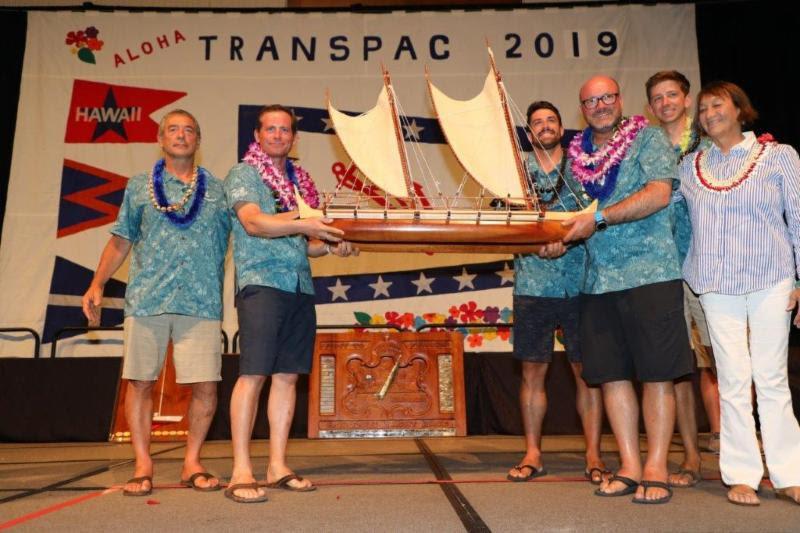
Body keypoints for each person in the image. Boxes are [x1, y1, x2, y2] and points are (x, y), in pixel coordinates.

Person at [82, 109, 230, 496]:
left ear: (198, 140)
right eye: (173, 130)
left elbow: (251, 229)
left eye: (189, 131)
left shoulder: (219, 189)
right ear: (161, 139)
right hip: (147, 297)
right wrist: (96, 284)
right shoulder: (138, 187)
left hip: (200, 301)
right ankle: (143, 463)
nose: (181, 136)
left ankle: (192, 461)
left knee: (206, 386)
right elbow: (120, 240)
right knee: (141, 381)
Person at [561, 75, 694, 504]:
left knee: (657, 373)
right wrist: (544, 240)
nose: (600, 105)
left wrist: (599, 219)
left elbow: (658, 194)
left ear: (620, 100)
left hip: (651, 273)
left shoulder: (649, 139)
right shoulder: (575, 155)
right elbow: (566, 216)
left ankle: (656, 465)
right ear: (582, 109)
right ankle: (630, 466)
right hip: (597, 280)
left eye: (607, 97)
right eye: (590, 101)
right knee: (612, 376)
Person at [224, 105, 356, 503]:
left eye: (285, 130)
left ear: (295, 138)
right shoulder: (244, 173)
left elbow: (308, 245)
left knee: (287, 376)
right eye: (271, 129)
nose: (279, 135)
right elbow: (254, 222)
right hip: (262, 284)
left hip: (299, 285)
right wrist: (305, 222)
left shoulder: (300, 180)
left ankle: (277, 465)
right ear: (258, 135)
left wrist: (333, 245)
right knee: (254, 374)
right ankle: (240, 470)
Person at [679, 81, 800, 507]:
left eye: (718, 104)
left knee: (770, 379)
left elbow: (799, 219)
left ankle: (789, 474)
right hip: (714, 284)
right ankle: (742, 474)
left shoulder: (780, 156)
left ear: (739, 109)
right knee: (731, 380)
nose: (709, 112)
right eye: (703, 107)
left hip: (772, 279)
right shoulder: (689, 167)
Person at [507, 101, 607, 485]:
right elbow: (507, 222)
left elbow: (599, 213)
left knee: (587, 373)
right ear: (529, 134)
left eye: (551, 120)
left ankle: (594, 454)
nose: (545, 126)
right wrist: (535, 243)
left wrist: (564, 241)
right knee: (533, 372)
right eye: (537, 123)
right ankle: (533, 452)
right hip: (532, 284)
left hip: (580, 281)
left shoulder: (583, 166)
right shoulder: (513, 172)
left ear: (562, 128)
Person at [646, 70, 722, 489]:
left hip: (710, 265)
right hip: (663, 267)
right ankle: (691, 458)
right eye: (657, 98)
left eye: (671, 95)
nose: (665, 103)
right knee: (679, 368)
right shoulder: (648, 146)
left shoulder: (711, 143)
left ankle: (735, 451)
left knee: (723, 360)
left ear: (687, 98)